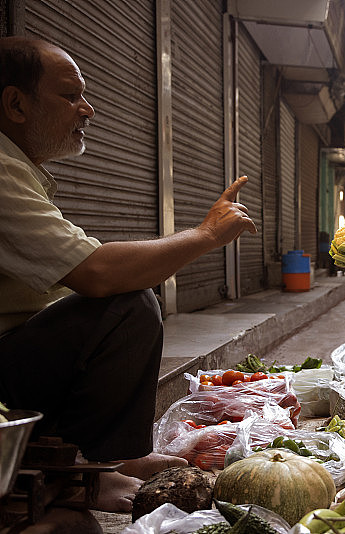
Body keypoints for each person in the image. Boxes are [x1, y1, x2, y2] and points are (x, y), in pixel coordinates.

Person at [0, 37, 257, 511]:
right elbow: (96, 273)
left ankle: (109, 460)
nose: (88, 109)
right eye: (71, 95)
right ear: (16, 103)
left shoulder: (19, 170)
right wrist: (205, 236)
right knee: (127, 306)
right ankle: (87, 475)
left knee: (118, 306)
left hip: (15, 372)